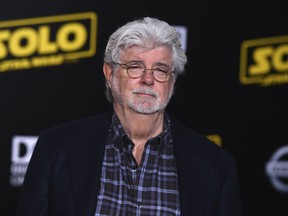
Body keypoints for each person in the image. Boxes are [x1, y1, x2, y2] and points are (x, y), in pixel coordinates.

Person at [16, 17, 241, 216]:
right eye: (135, 66)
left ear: (172, 81)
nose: (147, 79)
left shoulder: (215, 165)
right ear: (109, 73)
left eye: (161, 70)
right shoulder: (56, 148)